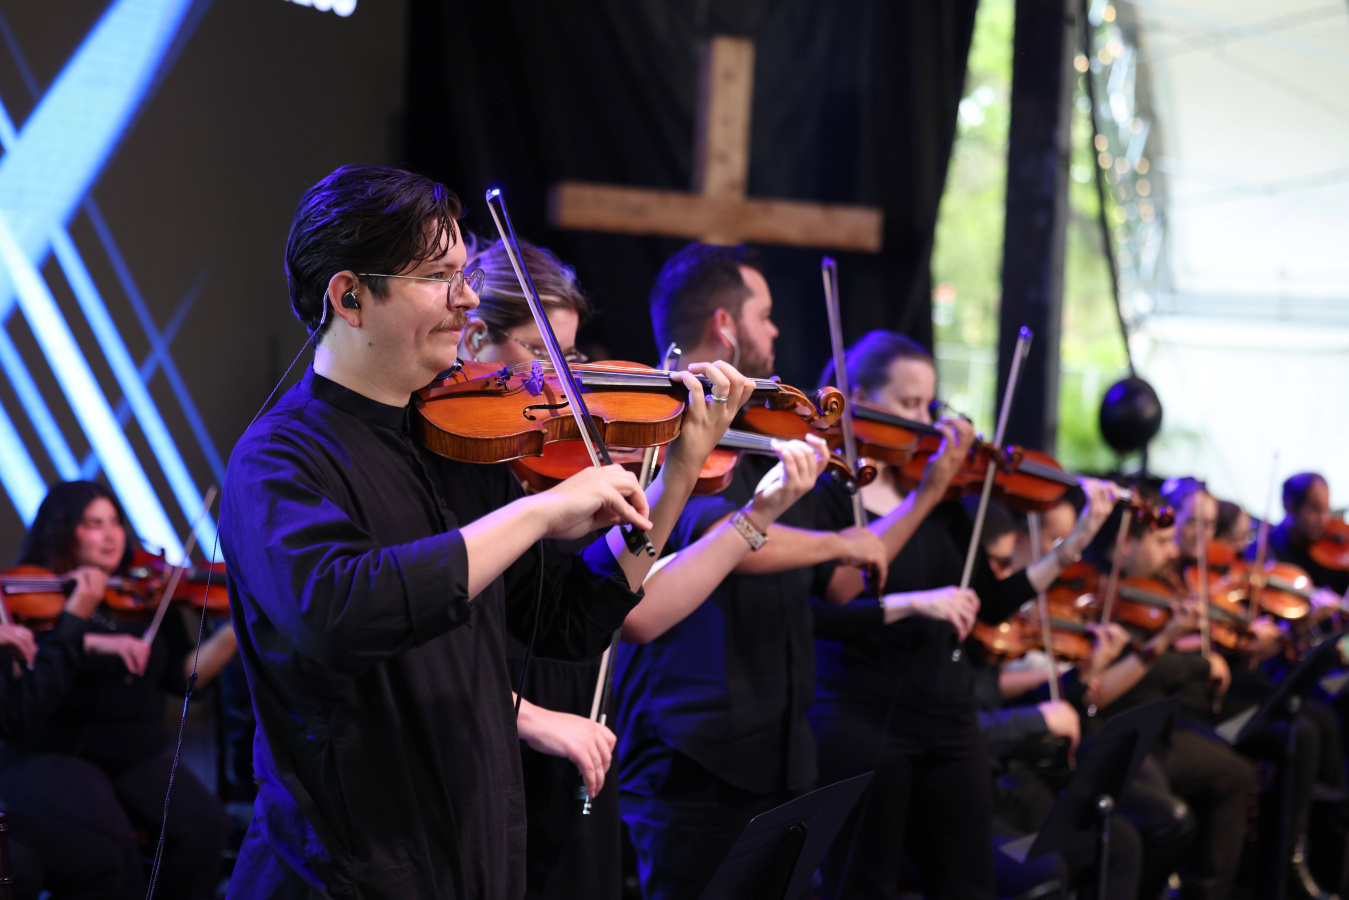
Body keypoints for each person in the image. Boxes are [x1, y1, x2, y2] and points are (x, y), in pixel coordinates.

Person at [220, 166, 753, 899]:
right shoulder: (278, 458)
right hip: (347, 872)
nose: (467, 298)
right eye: (439, 277)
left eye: (465, 275)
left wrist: (680, 474)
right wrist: (538, 512)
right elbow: (340, 612)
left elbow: (566, 619)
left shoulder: (458, 450)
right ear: (349, 297)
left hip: (473, 855)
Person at [461, 237, 835, 900]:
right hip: (500, 731)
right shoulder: (456, 476)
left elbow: (600, 590)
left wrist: (690, 472)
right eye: (541, 353)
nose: (561, 383)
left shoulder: (562, 459)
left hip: (582, 717)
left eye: (570, 358)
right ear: (471, 339)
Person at [613, 243, 889, 900]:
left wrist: (869, 530)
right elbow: (722, 539)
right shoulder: (656, 431)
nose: (776, 331)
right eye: (763, 316)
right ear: (725, 325)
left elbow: (838, 584)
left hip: (779, 749)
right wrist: (838, 542)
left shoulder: (766, 432)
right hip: (691, 755)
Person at [806, 330, 1119, 900]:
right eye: (908, 404)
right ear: (860, 400)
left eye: (929, 405)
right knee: (863, 886)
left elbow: (987, 604)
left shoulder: (946, 498)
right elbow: (826, 609)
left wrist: (1072, 544)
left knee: (970, 884)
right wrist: (923, 514)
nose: (927, 423)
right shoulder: (831, 488)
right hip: (859, 715)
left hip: (947, 718)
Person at [0, 480, 233, 900]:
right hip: (54, 756)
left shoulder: (146, 594)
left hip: (133, 754)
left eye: (114, 522)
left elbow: (183, 680)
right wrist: (79, 620)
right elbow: (31, 687)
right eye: (93, 524)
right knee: (113, 845)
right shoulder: (38, 599)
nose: (110, 536)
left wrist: (236, 631)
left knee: (206, 827)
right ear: (62, 531)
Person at [1260, 473, 1349, 594]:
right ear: (1290, 505)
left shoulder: (1330, 558)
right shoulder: (1264, 552)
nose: (1324, 520)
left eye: (1327, 509)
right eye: (1315, 509)